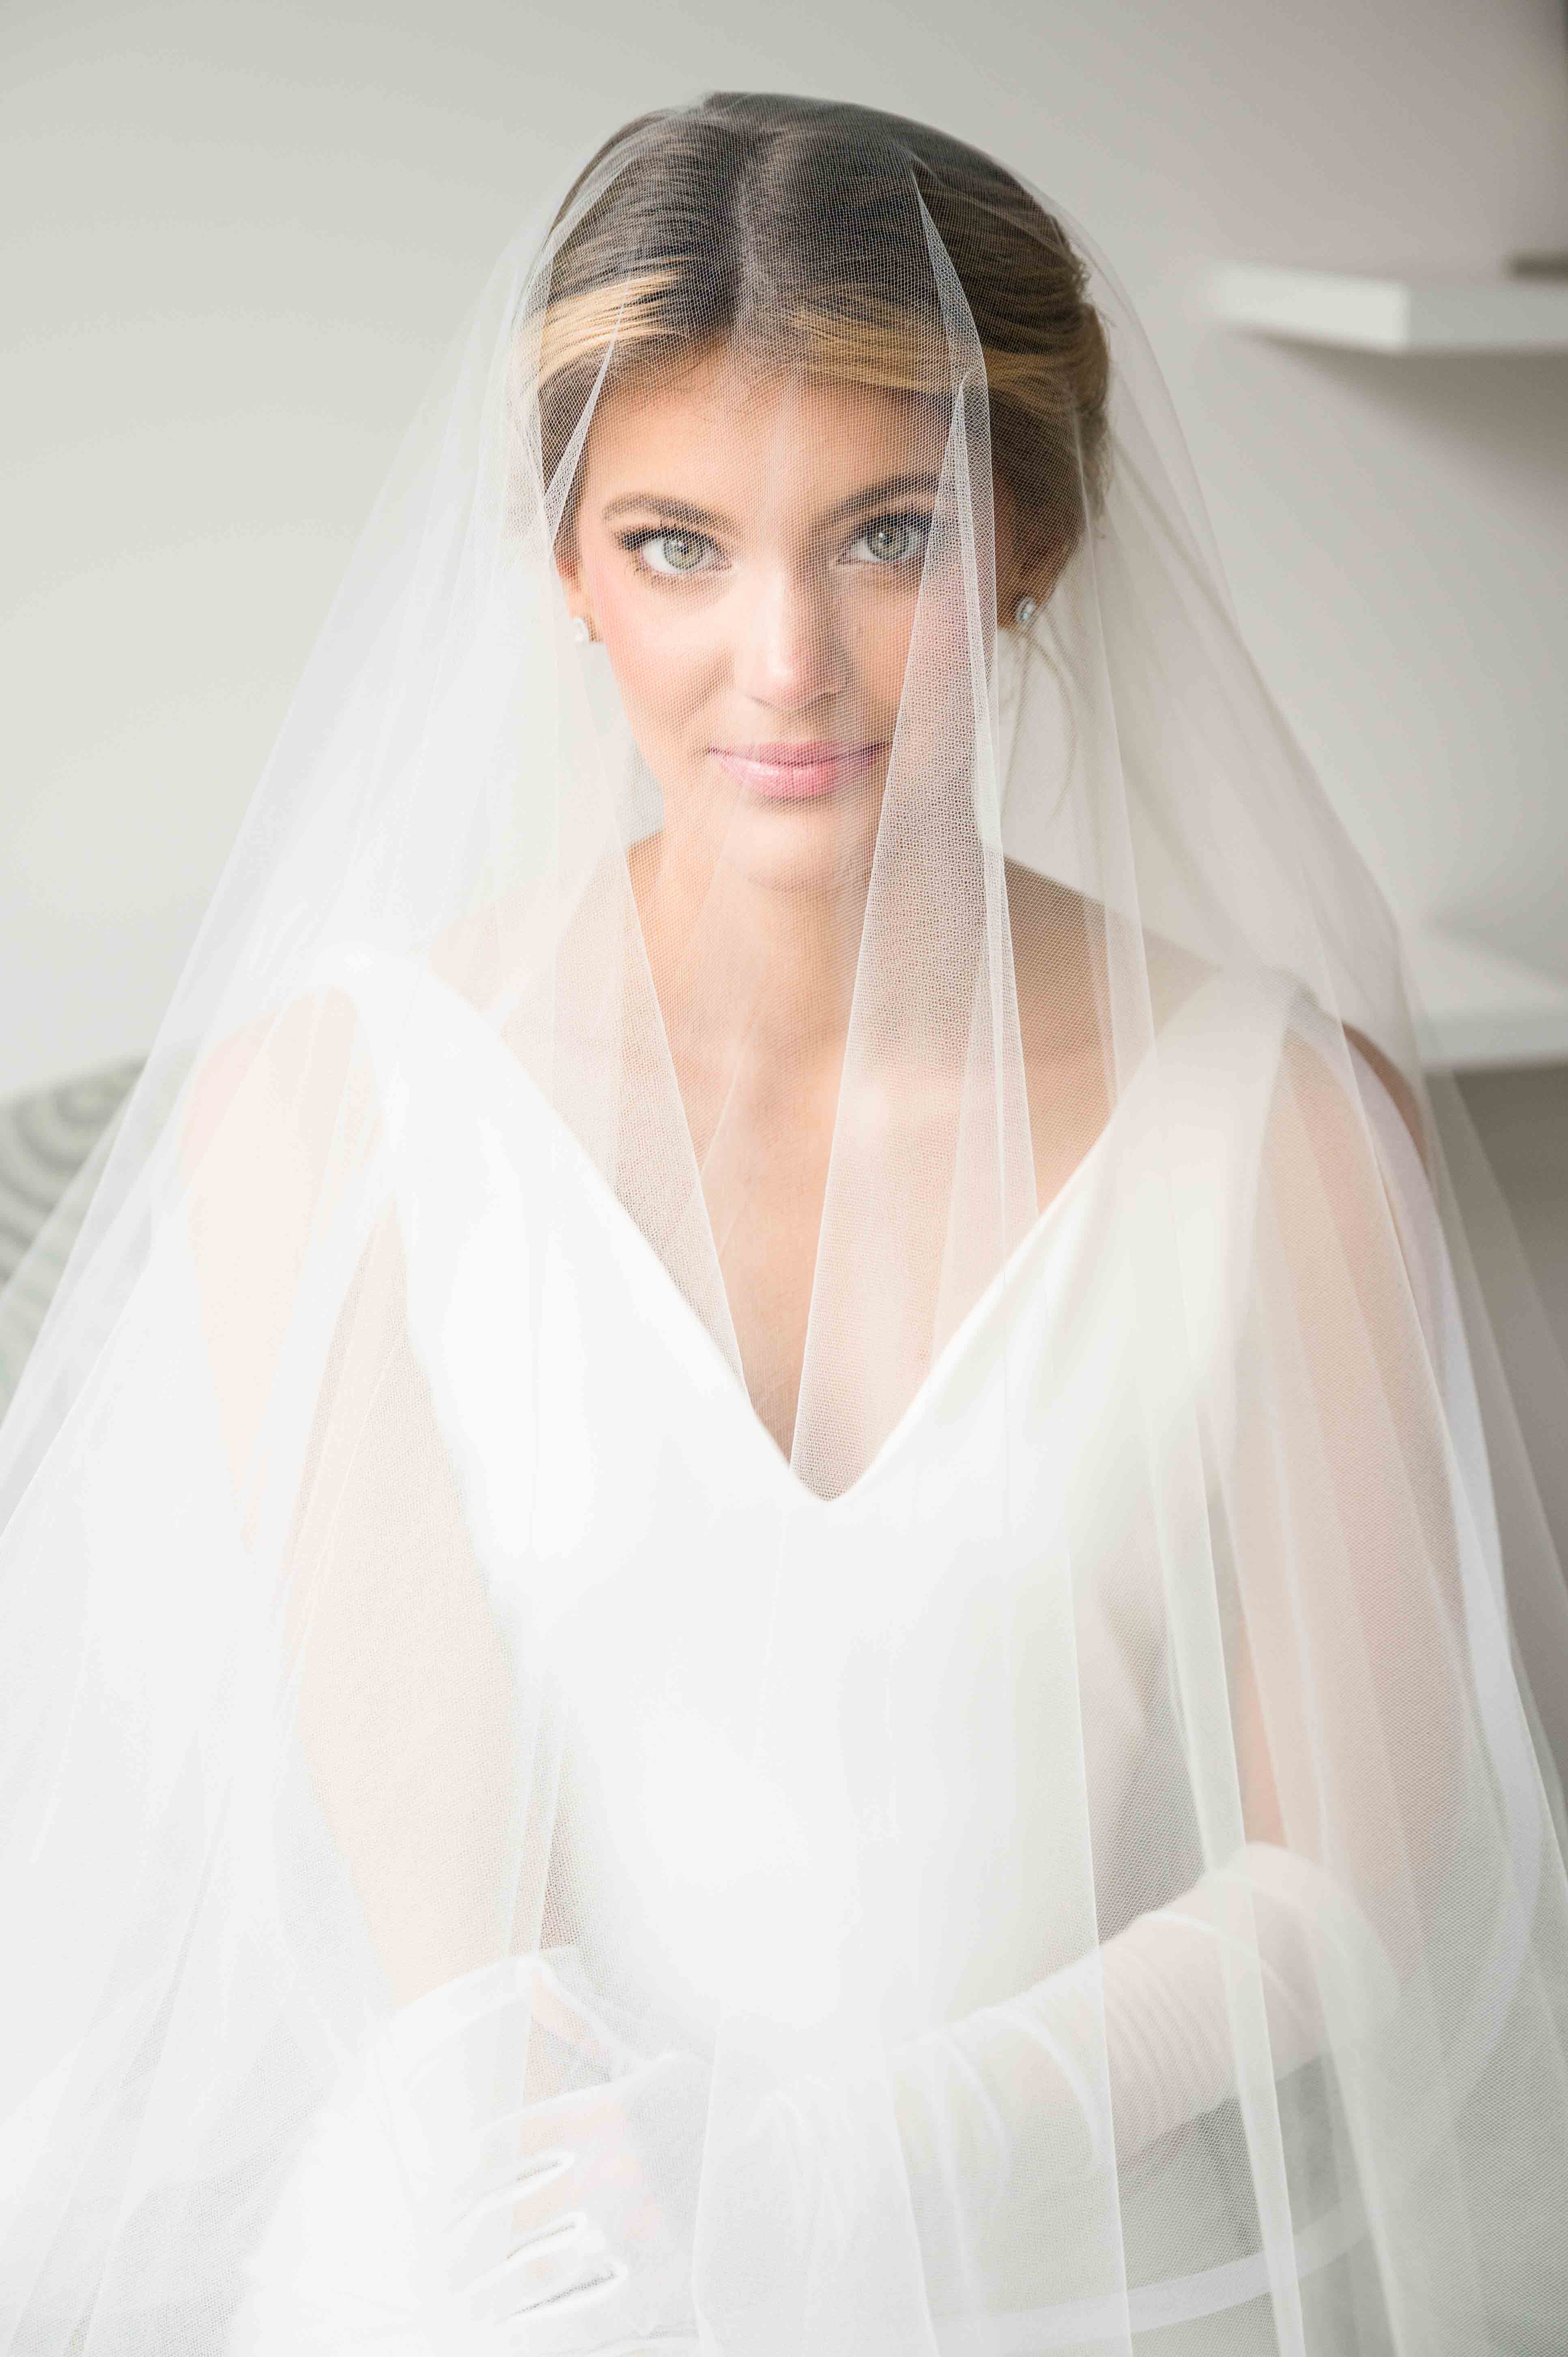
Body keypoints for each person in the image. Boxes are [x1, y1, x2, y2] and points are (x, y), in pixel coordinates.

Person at [2, 91, 1567, 2355]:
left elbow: (1349, 1873)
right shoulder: (333, 1112)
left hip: (1047, 2270)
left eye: (887, 536)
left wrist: (888, 2160)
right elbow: (456, 1933)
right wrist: (638, 2237)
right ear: (559, 565)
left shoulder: (1285, 1128)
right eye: (675, 547)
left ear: (1030, 541)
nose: (785, 667)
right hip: (499, 2270)